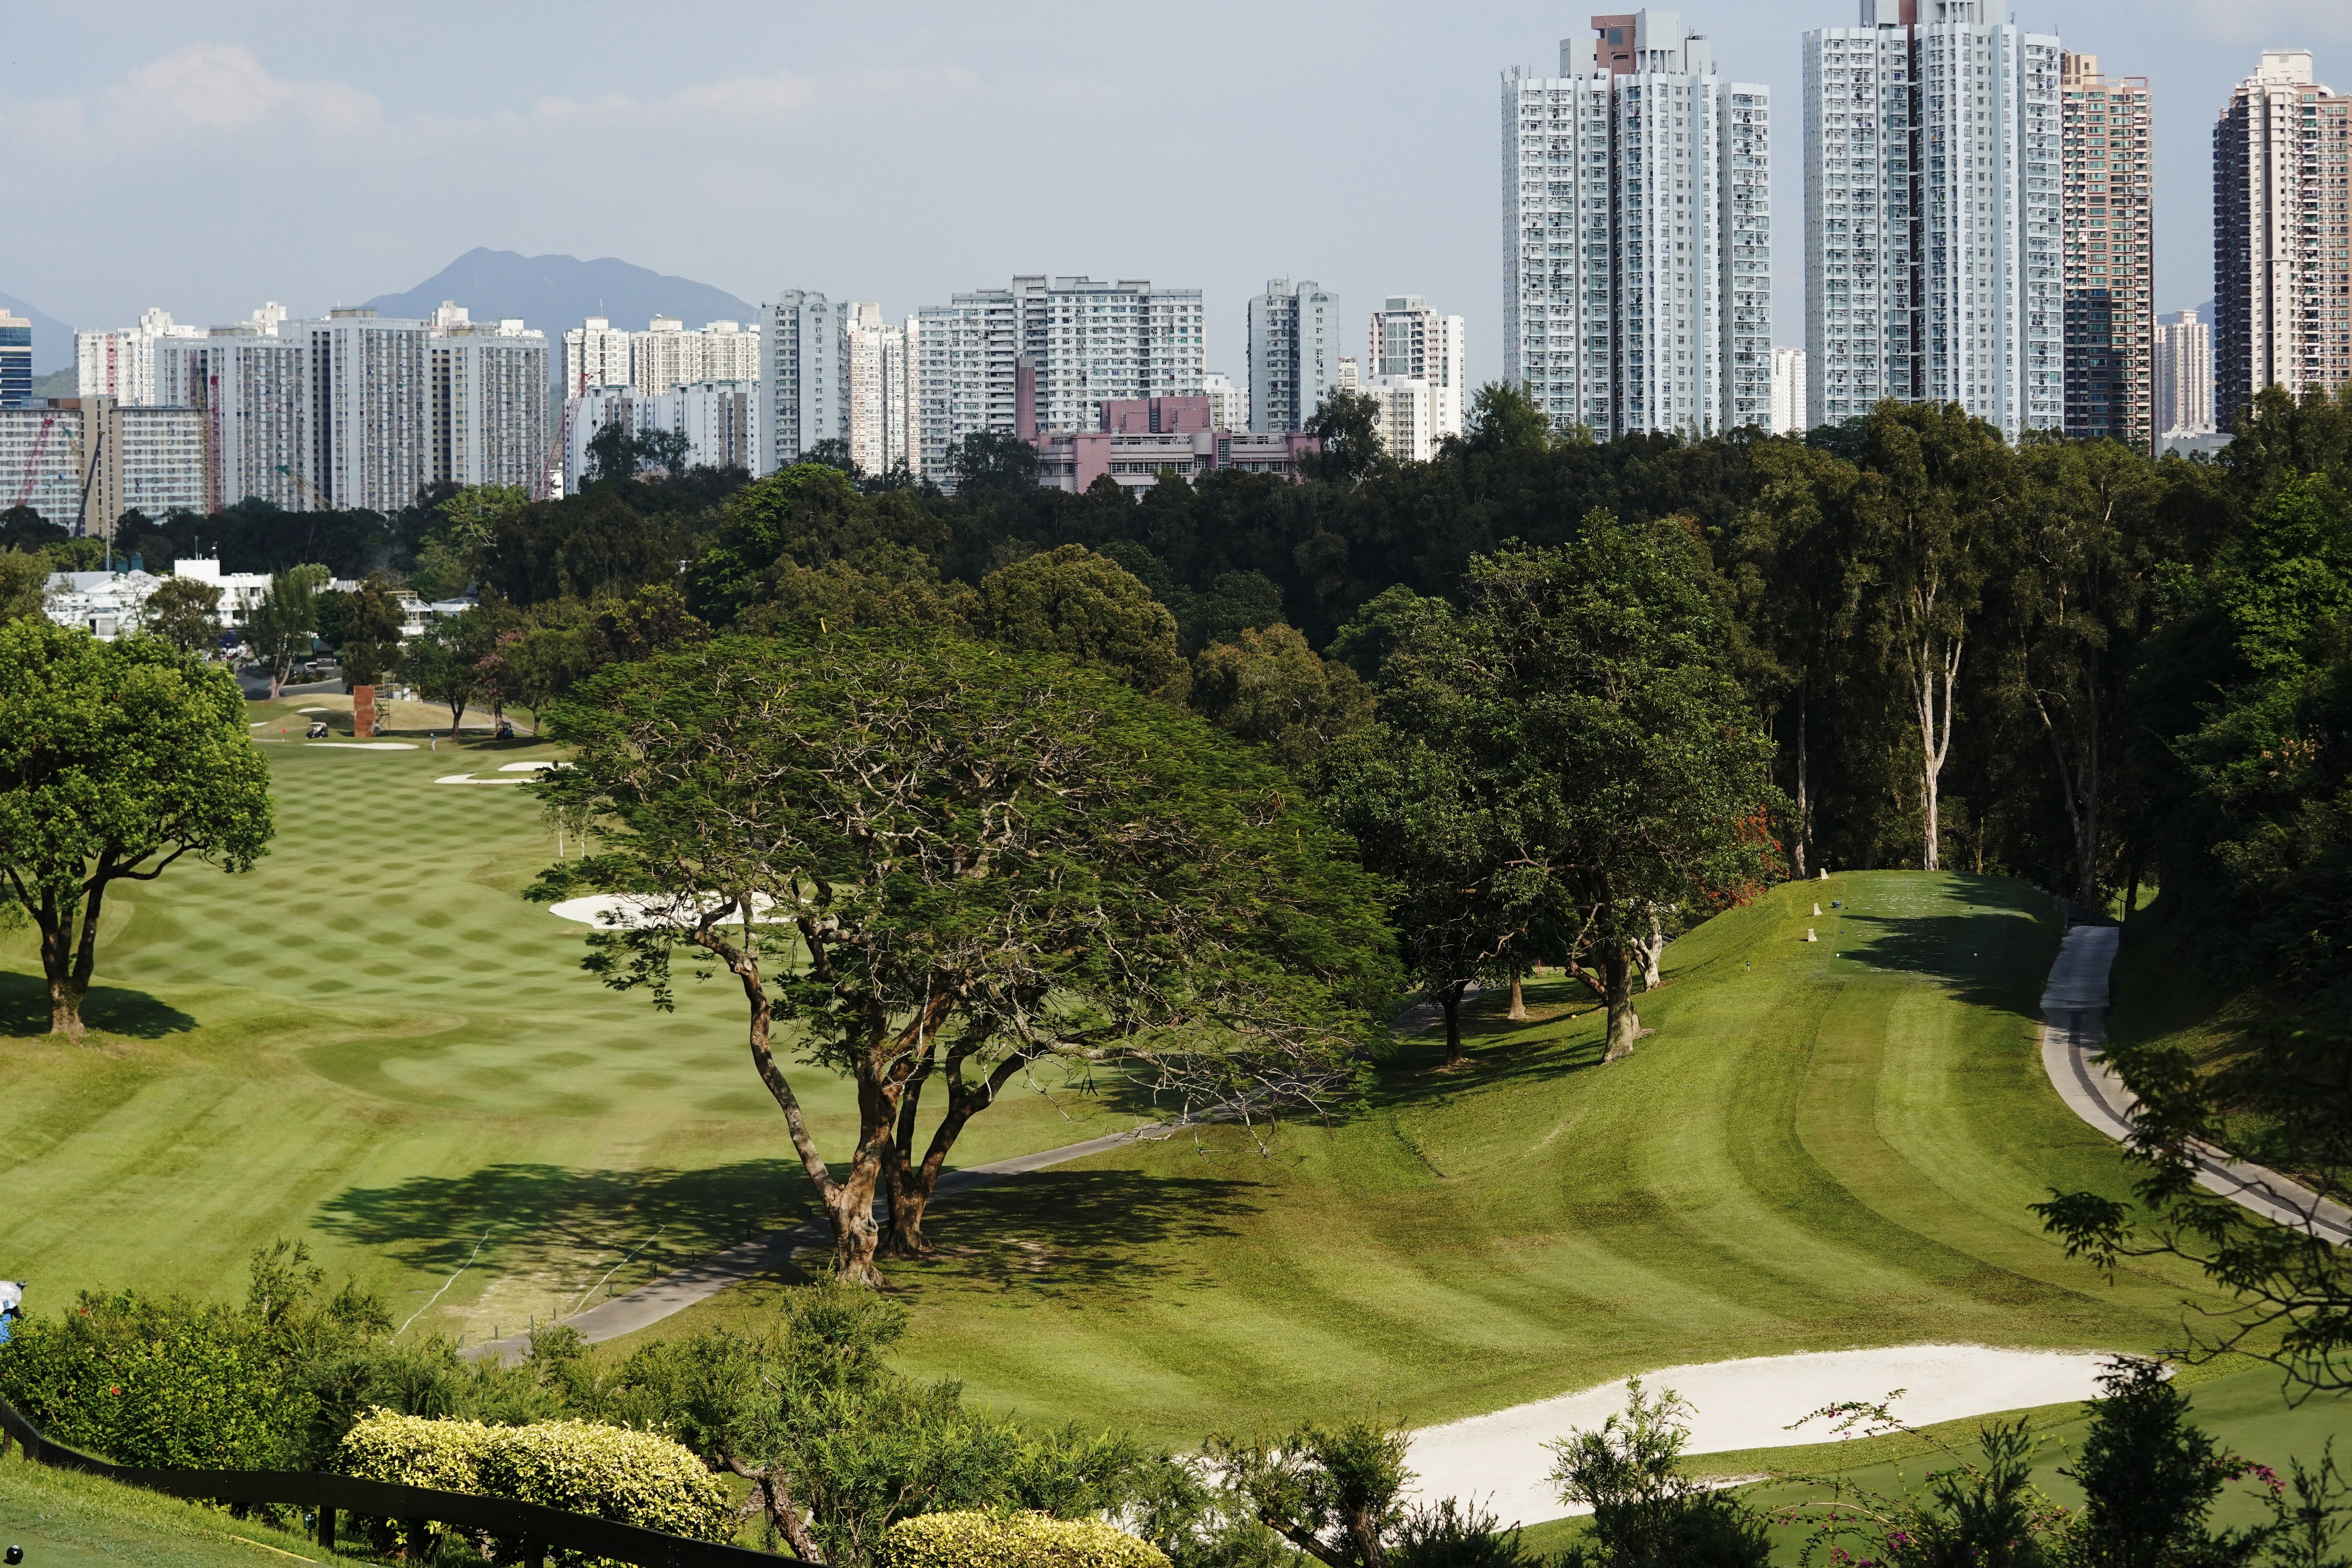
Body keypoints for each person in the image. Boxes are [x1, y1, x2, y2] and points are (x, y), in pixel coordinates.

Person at [0, 1280, 23, 1345]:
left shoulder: (10, 1305)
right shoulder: (10, 1305)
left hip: (7, 1338)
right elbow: (20, 1318)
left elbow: (19, 1317)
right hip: (6, 1338)